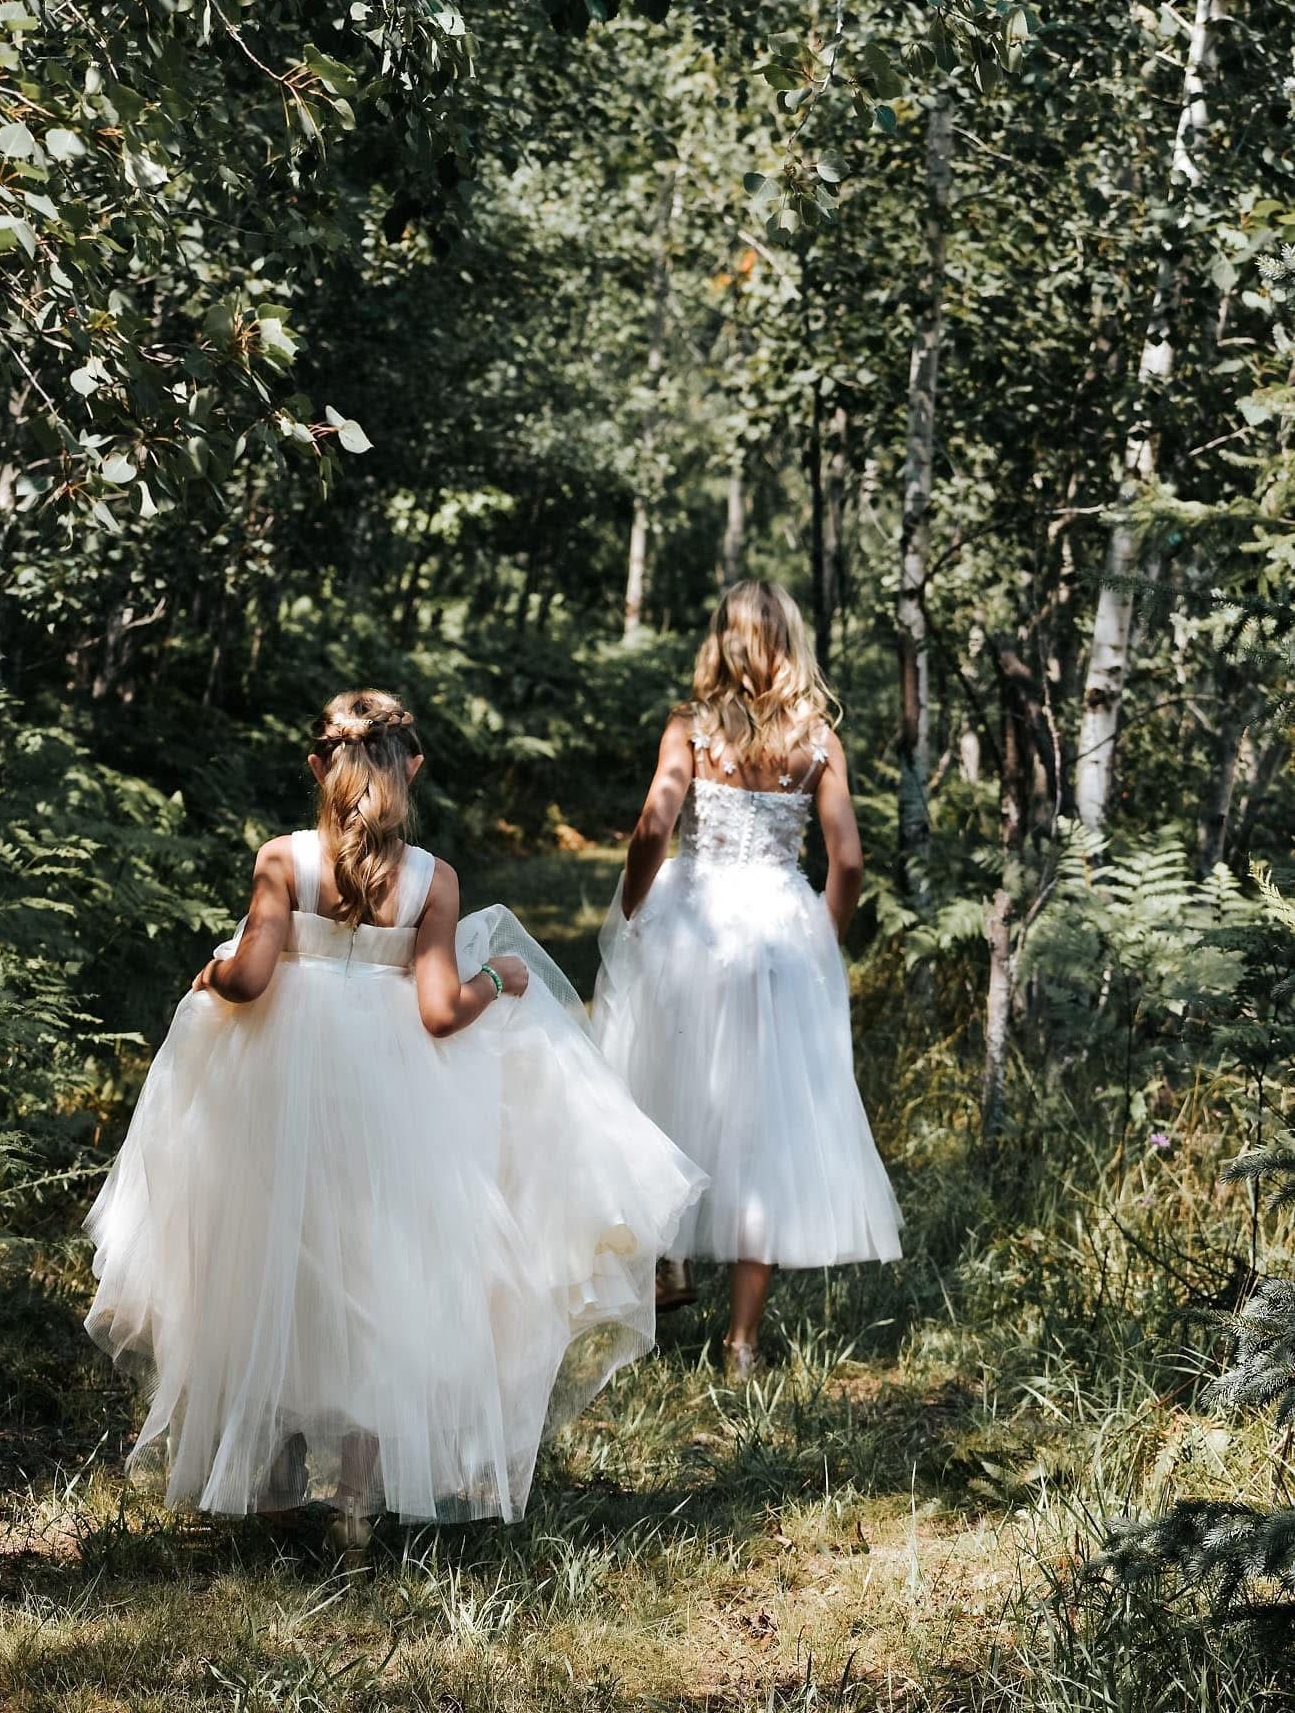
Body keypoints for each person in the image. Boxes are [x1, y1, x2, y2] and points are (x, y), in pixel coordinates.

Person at [85, 690, 705, 1550]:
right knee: (380, 1275)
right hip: (393, 1090)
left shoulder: (281, 860)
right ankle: (357, 1501)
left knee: (283, 1262)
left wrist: (212, 975)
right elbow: (442, 1013)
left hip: (280, 1081)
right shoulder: (430, 880)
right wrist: (502, 982)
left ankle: (273, 1488)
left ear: (318, 768)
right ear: (410, 770)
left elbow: (253, 979)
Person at [594, 580, 902, 1376]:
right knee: (761, 1127)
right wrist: (821, 944)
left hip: (693, 919)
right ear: (790, 642)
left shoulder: (690, 729)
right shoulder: (818, 740)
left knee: (664, 1090)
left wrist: (632, 907)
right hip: (778, 931)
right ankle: (740, 1345)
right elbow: (849, 859)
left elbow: (653, 825)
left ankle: (669, 1264)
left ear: (720, 640)